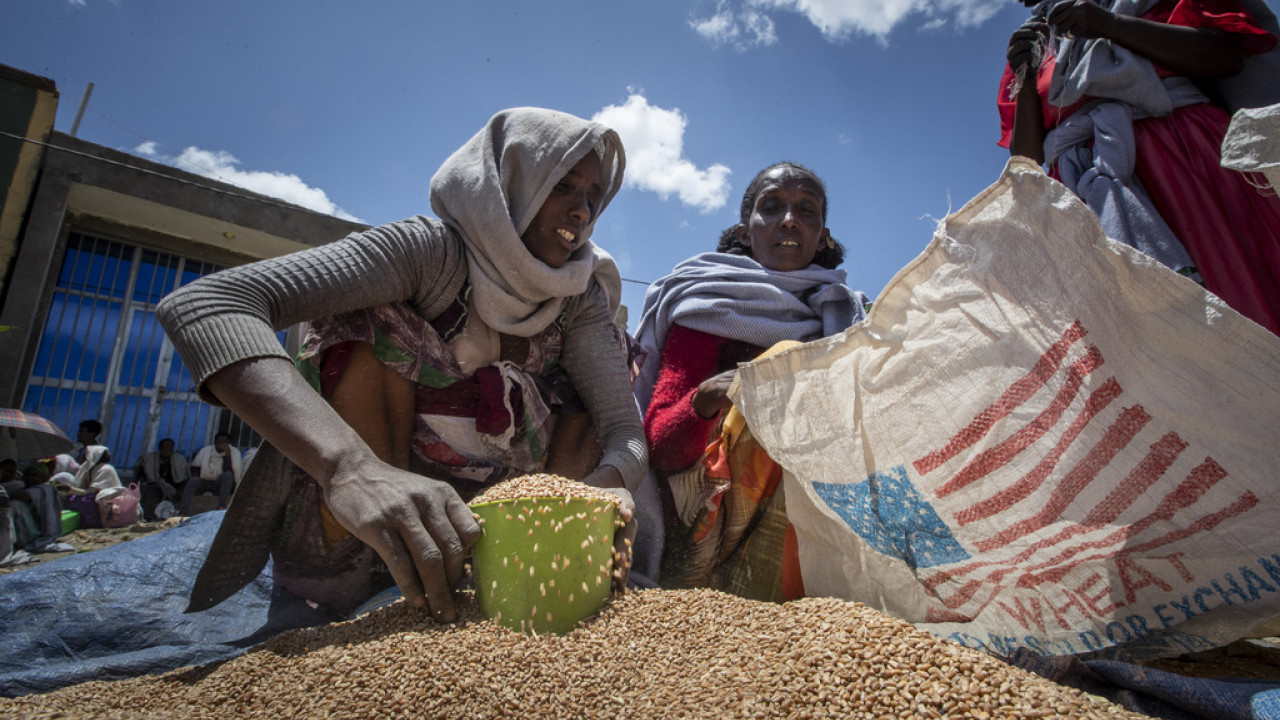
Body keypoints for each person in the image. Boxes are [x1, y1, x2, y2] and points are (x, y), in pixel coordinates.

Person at [156, 107, 646, 620]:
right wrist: (350, 469)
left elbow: (624, 433)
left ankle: (543, 581)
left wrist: (597, 496)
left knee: (598, 378)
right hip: (376, 500)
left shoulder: (578, 296)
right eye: (564, 185)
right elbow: (207, 306)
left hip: (509, 531)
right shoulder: (428, 253)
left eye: (593, 197)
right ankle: (371, 582)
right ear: (511, 183)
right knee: (367, 324)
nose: (582, 212)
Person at [631, 162, 870, 601]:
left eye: (806, 211)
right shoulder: (709, 305)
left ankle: (816, 598)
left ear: (823, 236)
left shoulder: (844, 318)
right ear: (745, 232)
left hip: (814, 503)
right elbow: (661, 450)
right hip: (704, 510)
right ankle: (728, 594)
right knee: (781, 368)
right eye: (773, 207)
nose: (790, 220)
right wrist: (707, 399)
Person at [1000, 0, 1280, 334]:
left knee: (1236, 295)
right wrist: (1026, 76)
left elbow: (1225, 55)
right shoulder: (1039, 40)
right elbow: (1027, 160)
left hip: (1186, 162)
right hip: (1089, 200)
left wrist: (1109, 24)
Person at [51, 445, 123, 529]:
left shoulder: (105, 469)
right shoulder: (90, 470)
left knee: (80, 501)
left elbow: (92, 492)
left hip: (107, 501)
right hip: (97, 498)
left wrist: (70, 489)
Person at [182, 433, 239, 515]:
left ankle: (221, 506)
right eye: (219, 442)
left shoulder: (234, 452)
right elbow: (195, 467)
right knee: (193, 480)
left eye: (224, 442)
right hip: (204, 482)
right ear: (215, 442)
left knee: (228, 475)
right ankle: (183, 511)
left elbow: (232, 472)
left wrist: (227, 455)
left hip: (218, 484)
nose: (222, 444)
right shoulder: (206, 450)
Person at [133, 438, 188, 520]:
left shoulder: (177, 460)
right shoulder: (149, 459)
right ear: (160, 448)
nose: (169, 450)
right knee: (152, 490)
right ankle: (149, 517)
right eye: (166, 448)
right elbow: (144, 477)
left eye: (171, 448)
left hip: (172, 486)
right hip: (153, 484)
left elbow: (181, 478)